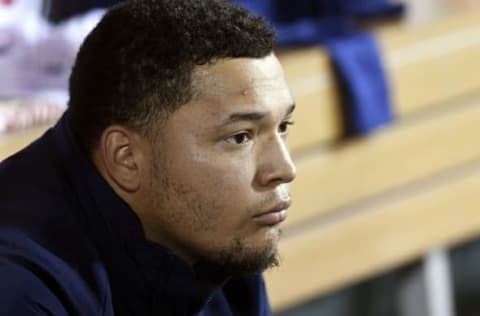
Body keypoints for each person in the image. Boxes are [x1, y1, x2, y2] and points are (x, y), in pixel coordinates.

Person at [0, 0, 296, 315]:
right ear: (126, 158)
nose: (284, 169)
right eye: (240, 137)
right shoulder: (19, 290)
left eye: (283, 126)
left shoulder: (226, 236)